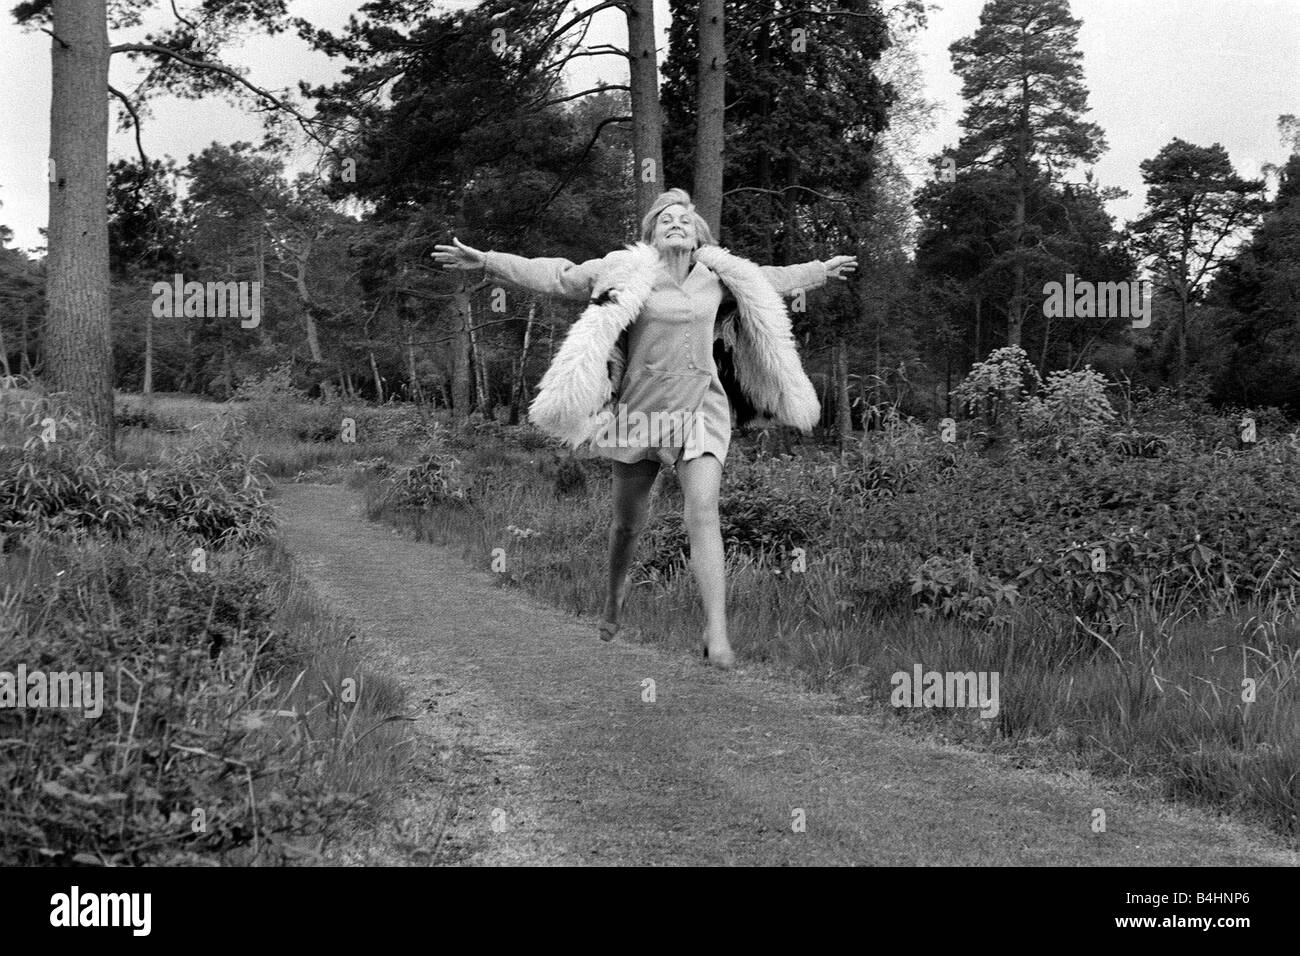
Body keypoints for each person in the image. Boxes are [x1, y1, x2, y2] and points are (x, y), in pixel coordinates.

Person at [433, 188, 856, 669]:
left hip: (702, 408)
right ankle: (615, 594)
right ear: (652, 234)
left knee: (704, 512)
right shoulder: (624, 270)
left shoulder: (719, 277)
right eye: (665, 219)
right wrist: (488, 260)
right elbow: (559, 275)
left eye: (684, 219)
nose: (676, 223)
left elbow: (771, 279)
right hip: (640, 412)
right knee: (627, 523)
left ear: (698, 234)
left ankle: (716, 631)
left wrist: (820, 270)